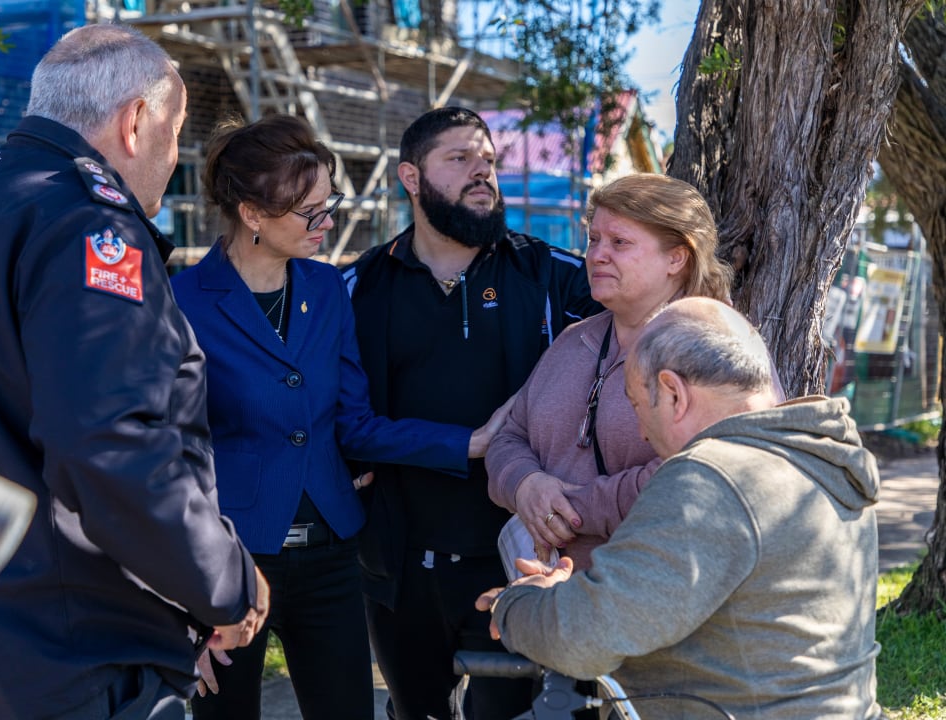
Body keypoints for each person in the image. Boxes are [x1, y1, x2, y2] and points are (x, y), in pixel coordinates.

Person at [0, 24, 268, 720]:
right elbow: (114, 447)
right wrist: (226, 584)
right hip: (71, 661)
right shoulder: (90, 226)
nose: (175, 155)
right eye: (176, 130)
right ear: (136, 122)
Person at [170, 113, 510, 720]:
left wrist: (470, 443)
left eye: (330, 205)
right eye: (311, 213)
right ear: (253, 214)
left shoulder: (327, 289)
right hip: (230, 558)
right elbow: (170, 452)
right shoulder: (182, 300)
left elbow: (354, 424)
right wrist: (183, 596)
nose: (327, 223)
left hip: (332, 556)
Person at [477, 297, 882, 720]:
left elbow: (587, 637)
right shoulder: (813, 460)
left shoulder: (711, 478)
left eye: (637, 406)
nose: (641, 432)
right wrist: (574, 595)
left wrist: (519, 603)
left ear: (673, 393)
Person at [342, 106, 602, 720]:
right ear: (411, 177)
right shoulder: (358, 287)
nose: (482, 172)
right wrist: (467, 442)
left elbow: (635, 343)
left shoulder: (553, 276)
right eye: (459, 159)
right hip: (398, 566)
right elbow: (341, 423)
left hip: (520, 557)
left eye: (487, 159)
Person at [486, 173, 734, 571]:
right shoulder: (573, 340)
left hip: (650, 596)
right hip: (553, 597)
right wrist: (525, 485)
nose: (597, 255)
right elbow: (509, 436)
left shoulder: (713, 349)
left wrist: (567, 508)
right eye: (594, 239)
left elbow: (694, 474)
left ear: (676, 258)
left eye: (619, 242)